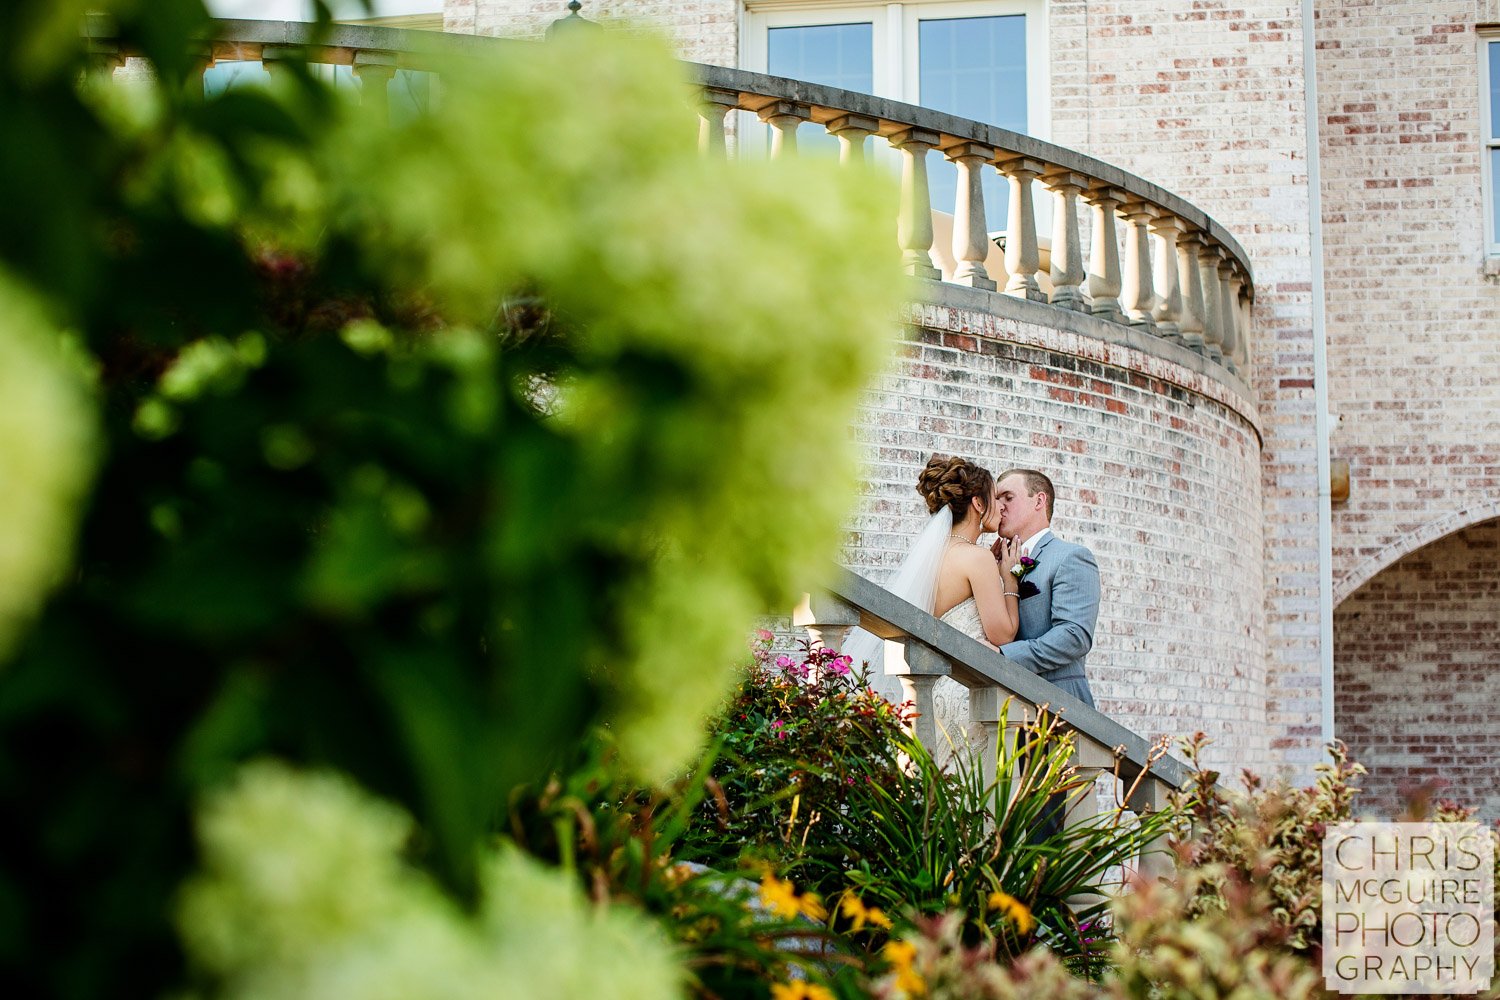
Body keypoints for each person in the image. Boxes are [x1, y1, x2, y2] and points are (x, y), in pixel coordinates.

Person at [842, 455, 1020, 697]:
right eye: (996, 498)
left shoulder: (936, 555)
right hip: (963, 693)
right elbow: (1003, 635)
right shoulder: (978, 558)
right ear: (978, 503)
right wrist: (1010, 579)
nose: (1001, 506)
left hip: (934, 688)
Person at [988, 468, 1098, 709]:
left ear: (1039, 500)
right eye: (996, 500)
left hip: (1057, 707)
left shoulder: (1070, 557)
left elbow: (1074, 636)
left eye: (1008, 497)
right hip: (1001, 707)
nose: (999, 507)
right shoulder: (990, 562)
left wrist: (1003, 657)